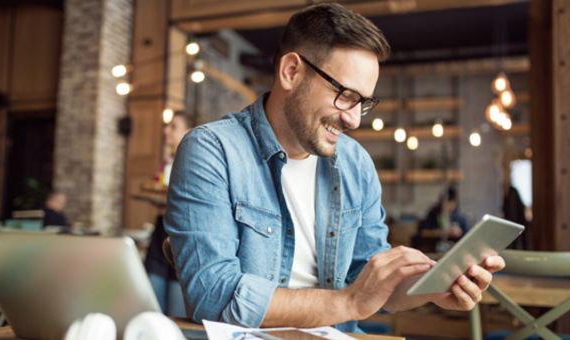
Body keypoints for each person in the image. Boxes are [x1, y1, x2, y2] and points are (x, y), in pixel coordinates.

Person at [164, 3, 505, 333]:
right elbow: (212, 294)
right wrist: (349, 303)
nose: (354, 119)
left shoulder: (356, 164)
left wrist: (434, 287)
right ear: (291, 72)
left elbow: (369, 282)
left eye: (364, 103)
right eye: (344, 94)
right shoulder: (212, 151)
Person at [144, 112, 193, 317]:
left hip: (182, 234)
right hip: (159, 230)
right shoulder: (165, 163)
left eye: (173, 126)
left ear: (188, 132)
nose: (166, 131)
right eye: (167, 126)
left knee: (176, 312)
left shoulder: (195, 163)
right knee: (152, 306)